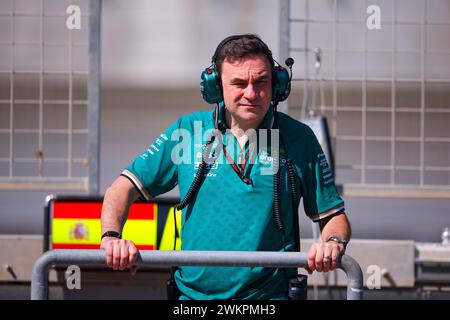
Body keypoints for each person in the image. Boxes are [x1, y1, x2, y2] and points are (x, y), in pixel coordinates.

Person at [100, 34, 351, 300]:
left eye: (261, 82)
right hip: (191, 300)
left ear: (277, 83)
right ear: (216, 86)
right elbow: (122, 188)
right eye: (239, 83)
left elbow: (333, 216)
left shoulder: (298, 138)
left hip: (268, 300)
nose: (252, 94)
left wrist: (333, 244)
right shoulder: (187, 131)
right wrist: (111, 237)